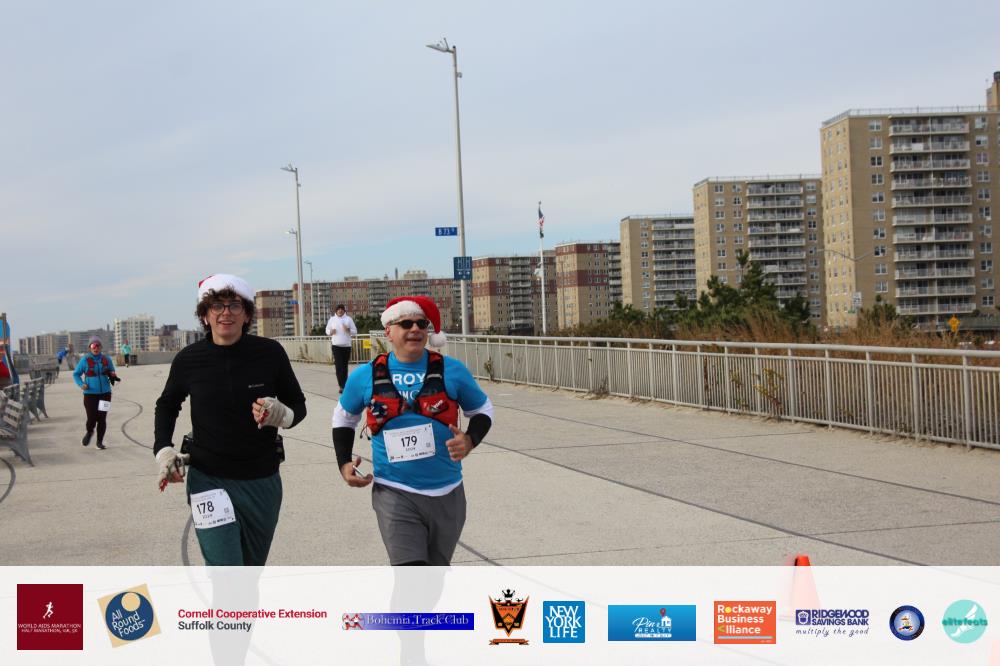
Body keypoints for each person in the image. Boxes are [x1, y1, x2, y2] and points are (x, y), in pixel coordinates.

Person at [154, 273, 307, 566]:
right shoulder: (189, 359)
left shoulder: (270, 353)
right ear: (205, 315)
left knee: (250, 573)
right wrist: (163, 450)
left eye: (235, 305)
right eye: (217, 306)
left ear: (247, 314)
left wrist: (283, 415)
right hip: (208, 480)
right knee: (226, 574)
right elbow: (167, 405)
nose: (226, 312)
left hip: (262, 481)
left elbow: (298, 405)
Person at [332, 295, 493, 566]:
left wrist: (470, 440)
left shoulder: (452, 370)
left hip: (447, 491)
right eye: (406, 323)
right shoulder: (365, 375)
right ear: (388, 332)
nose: (415, 329)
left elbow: (483, 410)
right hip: (394, 491)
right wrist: (343, 461)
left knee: (435, 576)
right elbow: (344, 418)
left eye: (422, 324)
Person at [72, 336, 119, 450]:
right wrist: (81, 384)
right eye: (93, 346)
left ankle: (99, 442)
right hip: (90, 394)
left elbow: (112, 371)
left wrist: (111, 375)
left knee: (102, 418)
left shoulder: (107, 359)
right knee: (91, 417)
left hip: (105, 394)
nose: (96, 348)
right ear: (90, 347)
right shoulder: (85, 360)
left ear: (101, 347)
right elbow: (76, 374)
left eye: (98, 345)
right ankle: (89, 432)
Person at [325, 304, 357, 393]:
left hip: (346, 346)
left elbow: (355, 331)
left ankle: (345, 385)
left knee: (344, 366)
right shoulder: (332, 319)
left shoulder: (348, 319)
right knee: (339, 366)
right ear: (336, 311)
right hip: (336, 346)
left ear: (344, 310)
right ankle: (341, 386)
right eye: (338, 309)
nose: (340, 311)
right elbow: (327, 330)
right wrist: (330, 332)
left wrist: (348, 330)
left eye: (341, 309)